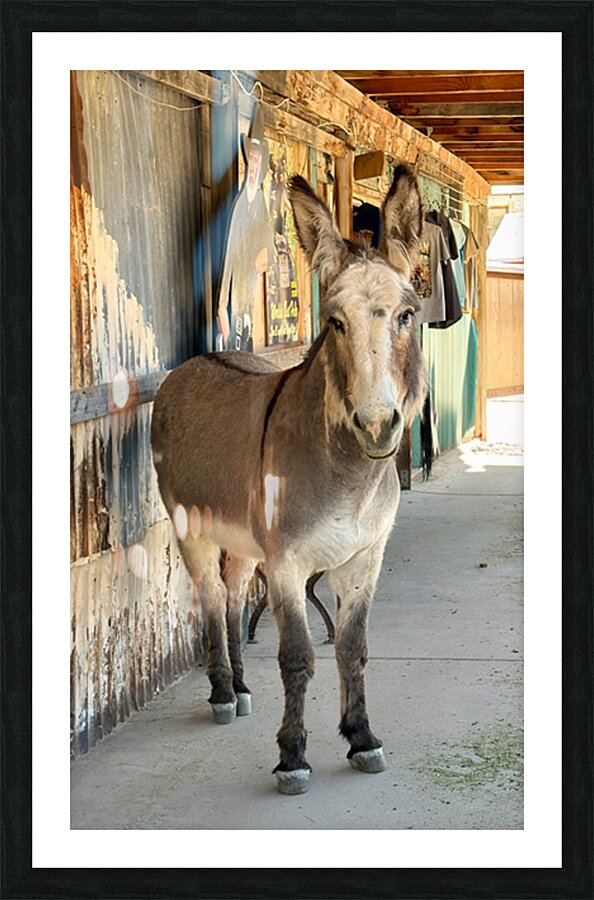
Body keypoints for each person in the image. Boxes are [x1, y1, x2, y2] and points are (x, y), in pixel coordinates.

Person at [216, 106, 275, 351]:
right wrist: (221, 306)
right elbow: (230, 255)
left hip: (248, 291)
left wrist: (266, 255)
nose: (254, 163)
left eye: (257, 158)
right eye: (250, 157)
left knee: (246, 339)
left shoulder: (261, 203)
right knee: (233, 343)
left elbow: (267, 246)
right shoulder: (240, 204)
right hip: (234, 291)